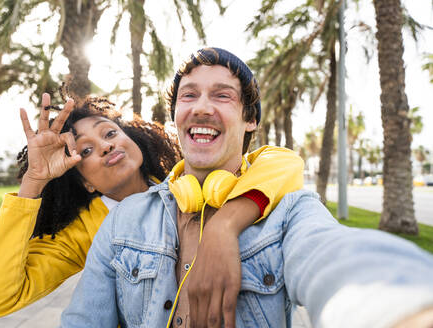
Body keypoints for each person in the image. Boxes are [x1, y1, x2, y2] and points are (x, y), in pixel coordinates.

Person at [60, 47, 433, 328]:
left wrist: (399, 306)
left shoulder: (290, 213)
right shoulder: (124, 220)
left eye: (222, 95)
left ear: (250, 119)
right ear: (175, 117)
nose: (201, 107)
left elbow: (335, 259)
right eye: (189, 95)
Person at [0, 89, 304, 318]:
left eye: (109, 133)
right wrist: (33, 182)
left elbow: (283, 162)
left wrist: (227, 221)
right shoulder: (80, 236)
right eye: (84, 151)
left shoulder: (188, 182)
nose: (103, 146)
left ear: (133, 139)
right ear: (84, 181)